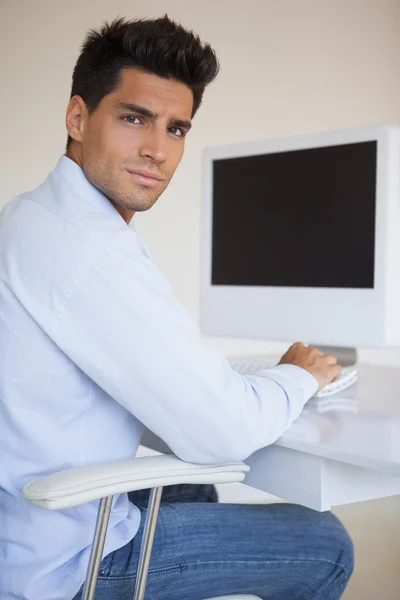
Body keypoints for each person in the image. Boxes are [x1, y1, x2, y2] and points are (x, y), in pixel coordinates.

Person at [0, 15, 354, 600]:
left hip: (19, 524)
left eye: (177, 128)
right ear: (78, 117)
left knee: (191, 489)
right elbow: (223, 432)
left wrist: (222, 384)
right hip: (64, 564)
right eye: (134, 118)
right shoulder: (92, 251)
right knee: (326, 544)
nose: (157, 150)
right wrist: (300, 376)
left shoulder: (27, 215)